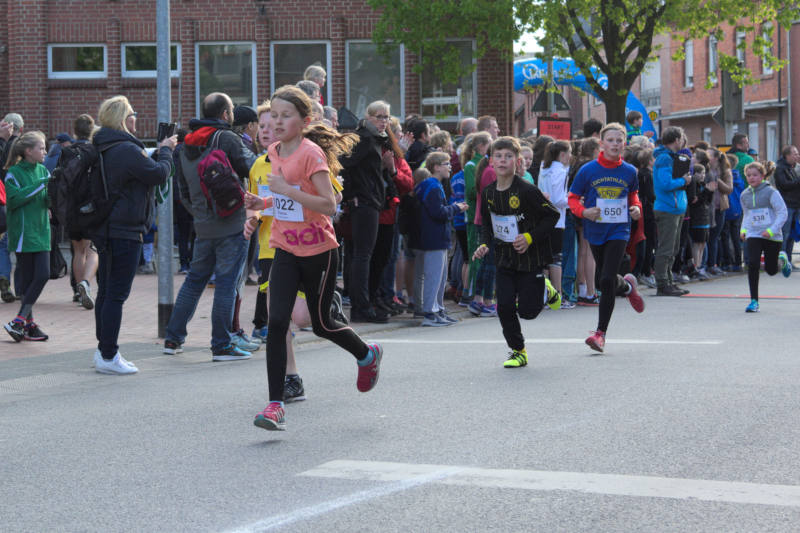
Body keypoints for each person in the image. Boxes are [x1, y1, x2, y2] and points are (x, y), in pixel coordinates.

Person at [244, 85, 383, 431]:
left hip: (319, 250)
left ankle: (367, 355)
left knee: (321, 324)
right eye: (273, 115)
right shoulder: (274, 151)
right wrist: (262, 207)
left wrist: (288, 191)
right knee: (277, 324)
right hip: (285, 248)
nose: (276, 122)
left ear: (304, 121)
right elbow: (284, 202)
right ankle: (275, 405)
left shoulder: (310, 155)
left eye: (285, 116)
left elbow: (328, 204)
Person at [164, 92, 258, 361]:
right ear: (226, 115)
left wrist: (200, 214)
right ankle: (221, 345)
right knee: (227, 283)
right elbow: (250, 168)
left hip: (203, 225)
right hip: (232, 221)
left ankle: (173, 339)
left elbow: (181, 190)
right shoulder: (226, 138)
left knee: (194, 281)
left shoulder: (183, 146)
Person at [91, 96, 176, 373]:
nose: (136, 118)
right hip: (124, 230)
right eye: (133, 113)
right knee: (116, 294)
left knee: (106, 291)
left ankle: (103, 350)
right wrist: (166, 150)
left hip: (105, 228)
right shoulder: (126, 149)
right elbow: (158, 174)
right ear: (123, 119)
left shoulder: (103, 145)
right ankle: (108, 355)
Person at [473, 136, 560, 367]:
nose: (503, 160)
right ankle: (518, 351)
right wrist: (483, 244)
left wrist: (530, 237)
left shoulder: (527, 190)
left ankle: (546, 290)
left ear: (517, 161)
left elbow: (552, 215)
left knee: (529, 312)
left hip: (530, 259)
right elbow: (487, 225)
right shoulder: (488, 192)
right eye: (498, 156)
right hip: (504, 258)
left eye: (508, 156)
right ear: (491, 161)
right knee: (504, 306)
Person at [568, 123, 646, 353]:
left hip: (619, 229)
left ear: (624, 144)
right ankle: (628, 286)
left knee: (605, 279)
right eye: (610, 140)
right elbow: (573, 198)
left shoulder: (630, 171)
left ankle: (600, 333)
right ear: (601, 144)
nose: (615, 144)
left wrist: (636, 209)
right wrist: (584, 212)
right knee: (607, 278)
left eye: (619, 140)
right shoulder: (588, 170)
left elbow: (634, 197)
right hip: (595, 229)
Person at [339, 101, 393, 323]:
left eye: (387, 117)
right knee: (362, 255)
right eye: (379, 117)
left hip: (370, 201)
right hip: (364, 202)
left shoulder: (375, 139)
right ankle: (361, 308)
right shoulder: (364, 138)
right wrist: (352, 194)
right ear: (368, 117)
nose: (384, 121)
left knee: (365, 255)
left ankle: (365, 304)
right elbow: (342, 164)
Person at [3, 131, 51, 342]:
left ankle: (22, 321)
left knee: (43, 275)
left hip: (42, 231)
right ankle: (26, 323)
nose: (45, 152)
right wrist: (42, 184)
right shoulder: (14, 172)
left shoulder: (42, 169)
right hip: (23, 233)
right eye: (41, 148)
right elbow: (14, 200)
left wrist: (56, 194)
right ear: (28, 151)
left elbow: (45, 199)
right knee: (30, 279)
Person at [415, 152, 466, 326]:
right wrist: (456, 208)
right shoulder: (433, 186)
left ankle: (438, 310)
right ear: (436, 167)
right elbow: (437, 212)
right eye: (446, 163)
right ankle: (429, 313)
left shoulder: (433, 184)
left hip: (437, 237)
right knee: (434, 277)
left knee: (441, 277)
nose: (450, 166)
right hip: (434, 237)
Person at [740, 161, 791, 313]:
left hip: (772, 235)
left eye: (755, 175)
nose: (751, 178)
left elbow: (783, 213)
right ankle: (754, 301)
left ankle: (781, 258)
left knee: (770, 270)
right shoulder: (745, 195)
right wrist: (743, 229)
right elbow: (747, 215)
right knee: (753, 264)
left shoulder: (771, 192)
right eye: (748, 175)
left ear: (762, 176)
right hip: (754, 234)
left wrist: (771, 230)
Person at [63, 114, 100, 310]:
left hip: (72, 207)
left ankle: (78, 291)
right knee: (92, 250)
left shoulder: (68, 152)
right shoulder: (94, 151)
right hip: (90, 207)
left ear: (75, 131)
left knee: (78, 251)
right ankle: (86, 283)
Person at [652, 126, 692, 296]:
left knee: (673, 248)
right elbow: (665, 184)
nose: (683, 141)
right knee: (666, 248)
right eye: (682, 138)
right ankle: (663, 283)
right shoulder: (664, 159)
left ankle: (668, 281)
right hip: (668, 208)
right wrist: (683, 180)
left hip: (675, 207)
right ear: (677, 140)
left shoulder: (671, 157)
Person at [537, 140, 572, 308]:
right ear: (563, 154)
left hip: (542, 218)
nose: (571, 157)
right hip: (557, 219)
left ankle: (543, 296)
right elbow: (558, 199)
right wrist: (574, 201)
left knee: (544, 259)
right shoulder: (560, 171)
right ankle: (557, 295)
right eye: (569, 153)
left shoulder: (544, 168)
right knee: (556, 258)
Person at [774, 145, 800, 265]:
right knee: (785, 233)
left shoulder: (791, 167)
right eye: (795, 154)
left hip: (795, 205)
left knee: (792, 234)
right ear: (787, 155)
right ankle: (782, 261)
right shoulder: (780, 168)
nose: (797, 156)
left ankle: (788, 261)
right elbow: (784, 185)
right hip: (786, 205)